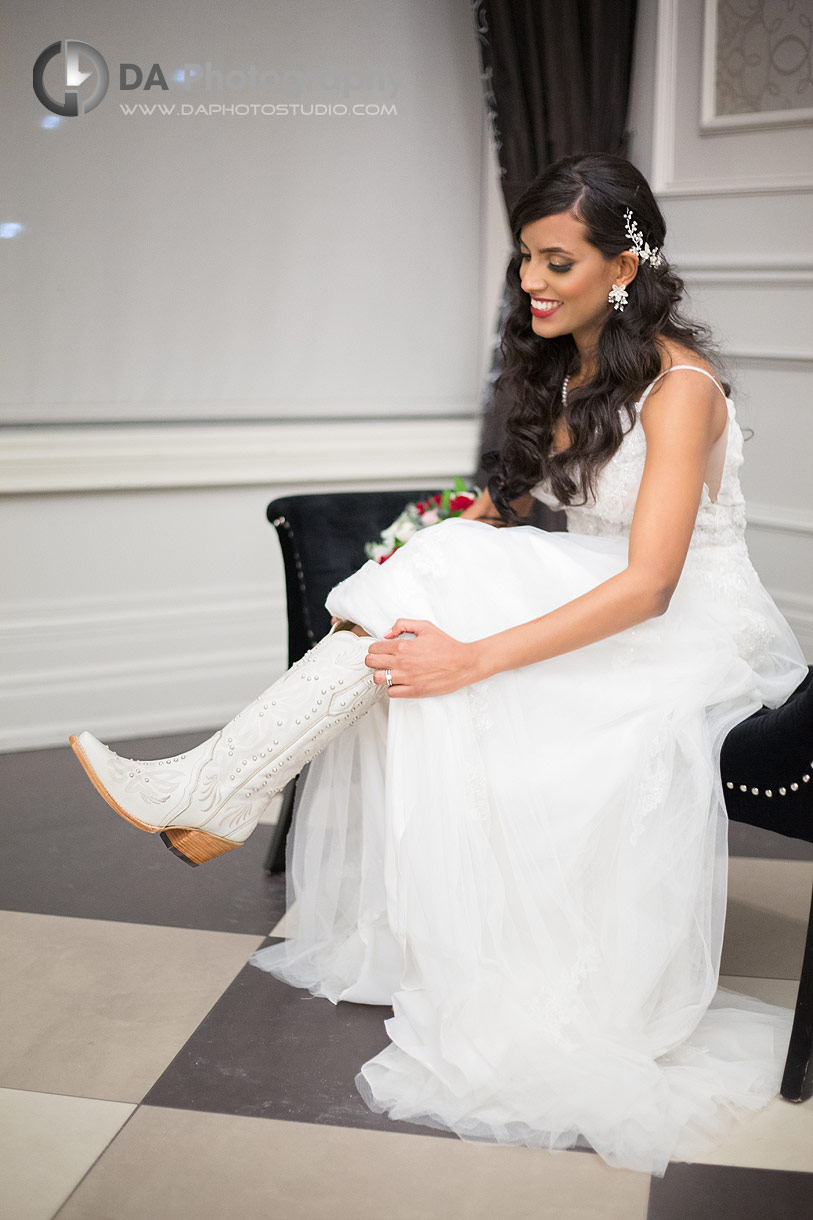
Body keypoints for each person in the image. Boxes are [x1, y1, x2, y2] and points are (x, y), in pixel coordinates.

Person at [70, 153, 809, 1177]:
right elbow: (530, 512)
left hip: (690, 622)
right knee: (446, 565)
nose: (532, 281)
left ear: (623, 268)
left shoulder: (680, 388)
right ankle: (223, 786)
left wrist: (474, 652)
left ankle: (221, 788)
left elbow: (649, 583)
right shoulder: (578, 363)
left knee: (450, 601)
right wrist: (436, 547)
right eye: (524, 259)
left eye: (558, 260)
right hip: (609, 586)